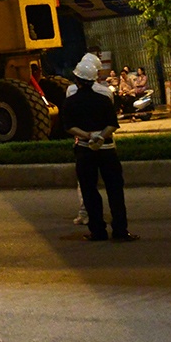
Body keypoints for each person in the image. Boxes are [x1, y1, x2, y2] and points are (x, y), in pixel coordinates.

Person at [63, 54, 133, 242]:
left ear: (77, 79)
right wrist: (101, 136)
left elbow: (69, 126)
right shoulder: (104, 97)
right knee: (115, 190)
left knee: (89, 190)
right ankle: (120, 230)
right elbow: (112, 124)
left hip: (85, 149)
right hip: (107, 148)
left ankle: (98, 231)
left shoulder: (71, 99)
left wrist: (88, 136)